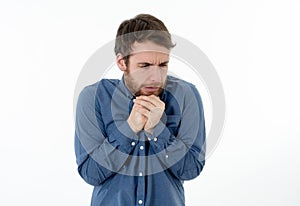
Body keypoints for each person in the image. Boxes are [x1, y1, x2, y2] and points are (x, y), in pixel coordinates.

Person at [75, 14, 206, 206]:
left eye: (163, 65)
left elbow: (191, 170)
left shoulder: (187, 95)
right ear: (122, 63)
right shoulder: (93, 97)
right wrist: (129, 129)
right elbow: (91, 173)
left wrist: (158, 131)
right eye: (144, 66)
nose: (155, 77)